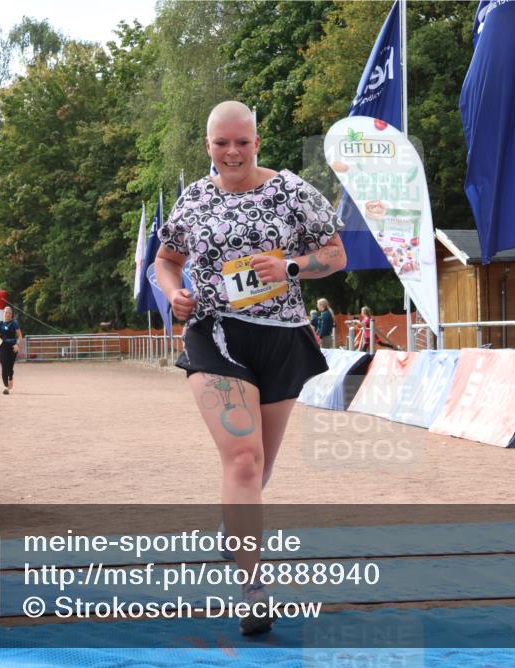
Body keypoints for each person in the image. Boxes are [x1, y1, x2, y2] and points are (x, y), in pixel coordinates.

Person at [154, 100, 346, 636]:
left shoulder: (292, 192)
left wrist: (291, 266)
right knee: (242, 458)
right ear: (208, 146)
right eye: (222, 143)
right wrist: (173, 294)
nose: (232, 152)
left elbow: (336, 254)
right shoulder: (194, 198)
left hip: (281, 337)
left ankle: (233, 525)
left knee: (259, 468)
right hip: (215, 334)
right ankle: (253, 588)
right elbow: (166, 259)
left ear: (257, 142)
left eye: (242, 142)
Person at [0, 306, 22, 394]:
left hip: (12, 347)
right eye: (6, 312)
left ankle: (10, 377)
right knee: (4, 366)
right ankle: (6, 387)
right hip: (2, 346)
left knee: (10, 367)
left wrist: (17, 344)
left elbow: (20, 336)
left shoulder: (14, 323)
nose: (7, 314)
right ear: (3, 313)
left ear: (11, 314)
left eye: (9, 313)